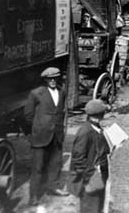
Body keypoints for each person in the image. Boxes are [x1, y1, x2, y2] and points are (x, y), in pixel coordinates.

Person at [24, 67, 68, 206]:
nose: (53, 81)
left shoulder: (62, 91)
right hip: (41, 135)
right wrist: (39, 127)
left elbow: (62, 112)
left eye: (56, 77)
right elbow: (28, 115)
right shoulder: (36, 93)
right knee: (38, 167)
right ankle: (34, 196)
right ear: (45, 79)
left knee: (56, 163)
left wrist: (60, 129)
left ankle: (53, 187)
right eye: (50, 78)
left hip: (57, 134)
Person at [69, 99, 111, 213]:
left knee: (98, 206)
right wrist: (92, 179)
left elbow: (101, 150)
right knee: (90, 208)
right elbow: (78, 160)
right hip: (90, 179)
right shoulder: (85, 133)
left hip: (98, 175)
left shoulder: (96, 129)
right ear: (100, 115)